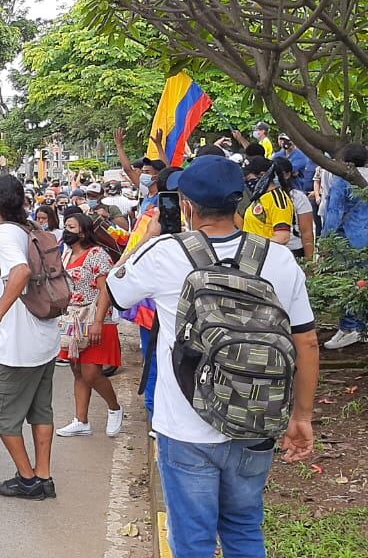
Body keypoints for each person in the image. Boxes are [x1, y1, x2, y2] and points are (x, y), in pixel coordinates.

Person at [106, 155, 318, 556]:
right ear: (240, 200)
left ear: (186, 204)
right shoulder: (279, 258)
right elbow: (305, 341)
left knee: (193, 541)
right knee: (243, 529)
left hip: (186, 427)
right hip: (256, 421)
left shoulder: (164, 253)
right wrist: (301, 416)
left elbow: (115, 292)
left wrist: (148, 240)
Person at [0, 175, 61, 500]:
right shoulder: (29, 231)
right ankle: (44, 477)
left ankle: (26, 480)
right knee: (41, 411)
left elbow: (21, 273)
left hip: (20, 345)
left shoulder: (1, 233)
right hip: (45, 337)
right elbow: (18, 280)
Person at [53, 214, 123, 439]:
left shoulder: (96, 255)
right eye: (66, 226)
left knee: (92, 372)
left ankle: (114, 408)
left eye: (71, 227)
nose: (66, 230)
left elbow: (106, 290)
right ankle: (81, 420)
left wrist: (98, 321)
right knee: (77, 370)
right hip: (73, 320)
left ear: (83, 232)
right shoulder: (65, 255)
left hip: (93, 318)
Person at [322, 143, 368, 350]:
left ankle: (350, 327)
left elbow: (335, 212)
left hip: (350, 240)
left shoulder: (344, 179)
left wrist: (325, 240)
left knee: (349, 283)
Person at [240, 156, 294, 245]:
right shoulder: (261, 197)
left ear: (262, 175)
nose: (247, 182)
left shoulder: (278, 200)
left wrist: (256, 245)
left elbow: (283, 237)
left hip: (267, 255)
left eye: (248, 178)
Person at [272, 156, 316, 260]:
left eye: (277, 174)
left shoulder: (297, 197)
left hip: (294, 252)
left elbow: (307, 232)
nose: (274, 178)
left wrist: (310, 261)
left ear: (287, 174)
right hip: (271, 250)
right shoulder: (262, 199)